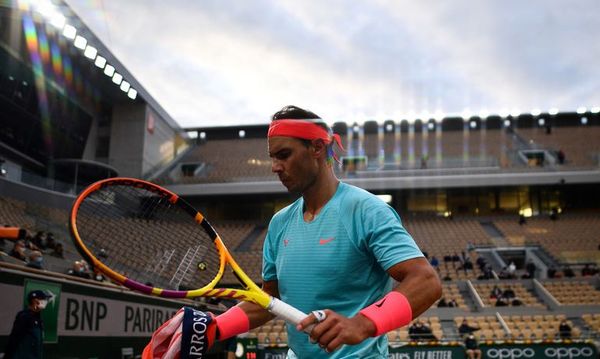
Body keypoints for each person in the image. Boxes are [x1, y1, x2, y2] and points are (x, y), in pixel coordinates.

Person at [143, 106, 441, 358]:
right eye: (273, 157)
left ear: (317, 148)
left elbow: (425, 281)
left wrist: (361, 324)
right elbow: (269, 302)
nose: (275, 167)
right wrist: (216, 328)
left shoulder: (367, 210)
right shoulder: (279, 223)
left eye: (284, 155)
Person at [4, 290, 50, 358]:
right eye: (43, 299)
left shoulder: (38, 318)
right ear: (35, 301)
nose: (46, 302)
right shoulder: (24, 316)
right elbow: (14, 339)